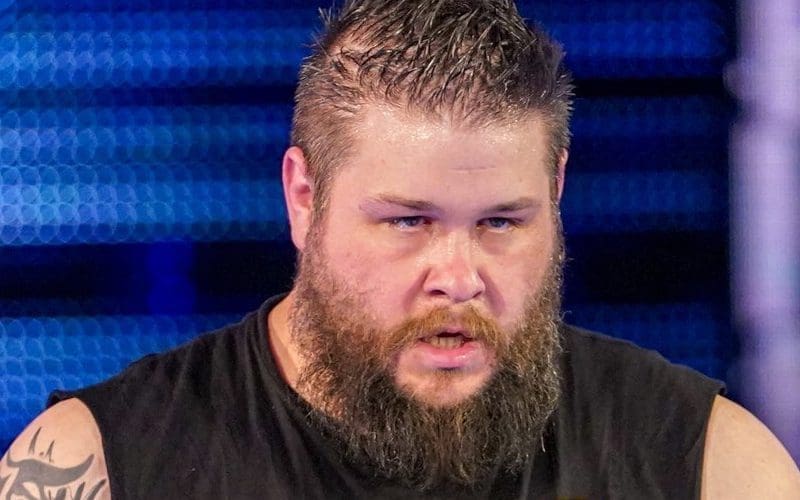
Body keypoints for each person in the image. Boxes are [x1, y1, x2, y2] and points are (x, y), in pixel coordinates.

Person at [2, 1, 799, 498]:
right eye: (408, 222)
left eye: (501, 223)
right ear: (303, 198)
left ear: (556, 195)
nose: (458, 278)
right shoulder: (97, 464)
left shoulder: (708, 467)